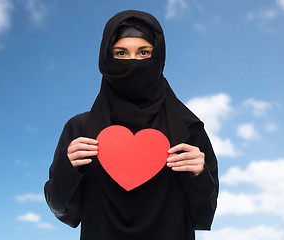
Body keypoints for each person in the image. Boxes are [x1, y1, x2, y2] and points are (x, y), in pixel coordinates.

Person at [44, 10, 219, 240]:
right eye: (121, 53)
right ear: (105, 59)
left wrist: (199, 175)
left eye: (144, 52)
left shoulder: (187, 130)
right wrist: (68, 168)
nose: (133, 62)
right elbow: (64, 211)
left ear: (159, 58)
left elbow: (203, 215)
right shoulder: (80, 129)